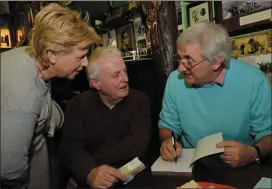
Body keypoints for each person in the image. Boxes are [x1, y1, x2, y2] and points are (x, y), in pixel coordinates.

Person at [1, 3, 100, 189]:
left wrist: (55, 115)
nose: (86, 63)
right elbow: (10, 172)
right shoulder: (24, 96)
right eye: (80, 57)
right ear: (52, 55)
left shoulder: (34, 58)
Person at [159, 22, 271, 168]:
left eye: (188, 61)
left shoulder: (254, 81)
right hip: (192, 165)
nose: (180, 68)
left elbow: (268, 134)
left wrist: (254, 153)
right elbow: (168, 126)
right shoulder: (175, 81)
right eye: (179, 58)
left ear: (216, 62)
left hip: (242, 166)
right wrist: (169, 142)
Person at [59, 47, 151, 188]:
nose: (125, 79)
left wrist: (92, 161)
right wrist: (89, 172)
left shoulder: (140, 100)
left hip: (135, 179)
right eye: (116, 75)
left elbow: (138, 145)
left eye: (125, 71)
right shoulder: (78, 105)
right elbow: (70, 147)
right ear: (96, 83)